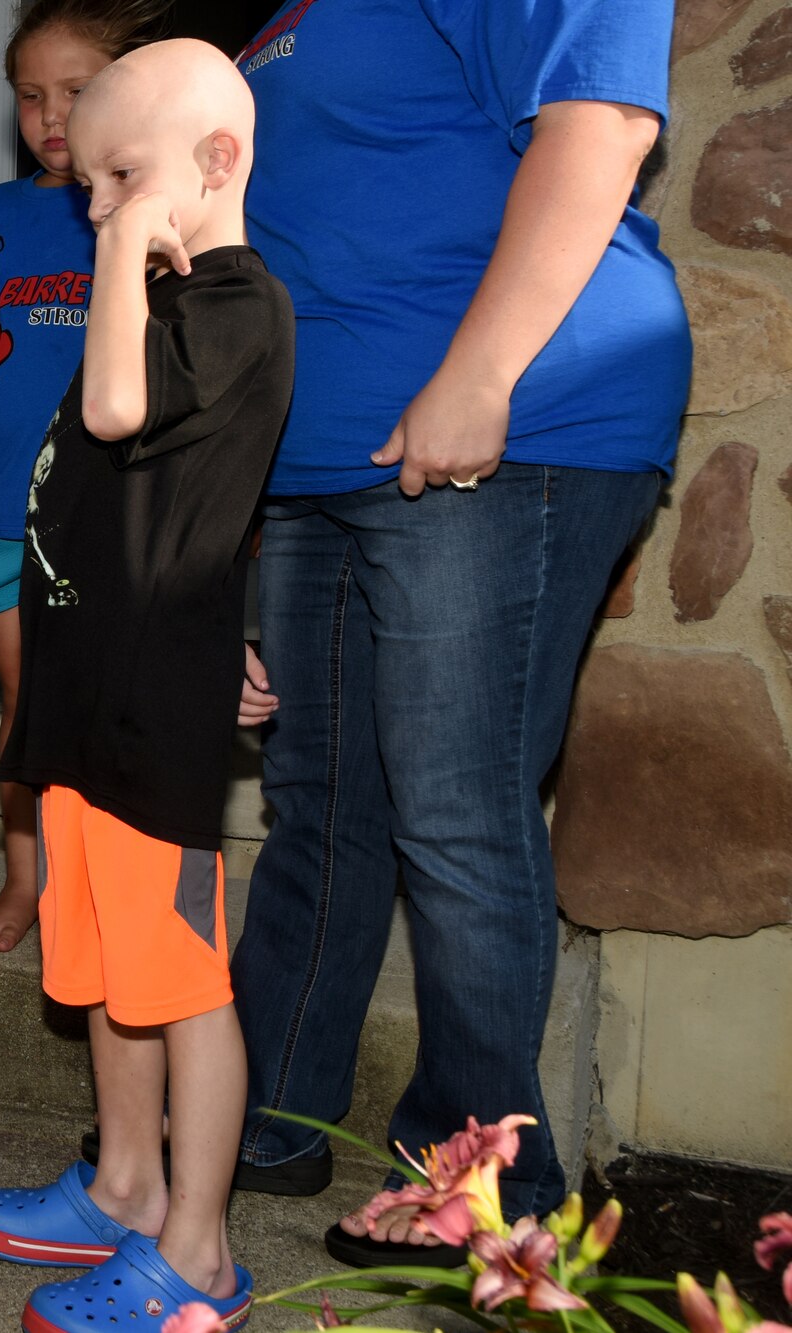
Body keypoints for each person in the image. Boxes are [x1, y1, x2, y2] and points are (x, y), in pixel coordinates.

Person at [227, 0, 688, 1266]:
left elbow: (595, 120)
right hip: (325, 460)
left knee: (453, 805)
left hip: (503, 432)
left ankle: (479, 1183)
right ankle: (258, 1109)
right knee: (323, 801)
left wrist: (477, 372)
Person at [0, 40, 292, 1332]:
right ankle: (125, 1181)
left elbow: (111, 415)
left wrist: (120, 253)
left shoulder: (233, 305)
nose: (96, 205)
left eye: (119, 177)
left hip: (155, 710)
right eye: (90, 185)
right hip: (85, 697)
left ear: (217, 164)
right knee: (101, 966)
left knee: (181, 982)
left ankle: (200, 1251)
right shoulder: (155, 300)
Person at [0, 0, 169, 954]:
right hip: (0, 514)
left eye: (77, 91)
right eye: (30, 95)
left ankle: (106, 881)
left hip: (106, 517)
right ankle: (29, 879)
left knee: (109, 703)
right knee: (29, 707)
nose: (51, 115)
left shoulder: (151, 219)